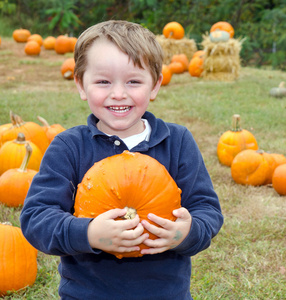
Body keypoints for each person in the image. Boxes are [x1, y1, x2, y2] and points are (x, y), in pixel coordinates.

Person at [20, 20, 223, 300]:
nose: (118, 93)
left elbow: (207, 209)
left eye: (134, 81)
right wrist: (88, 233)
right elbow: (36, 218)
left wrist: (187, 233)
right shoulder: (68, 147)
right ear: (81, 84)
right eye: (103, 81)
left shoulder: (177, 142)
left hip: (165, 294)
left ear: (155, 86)